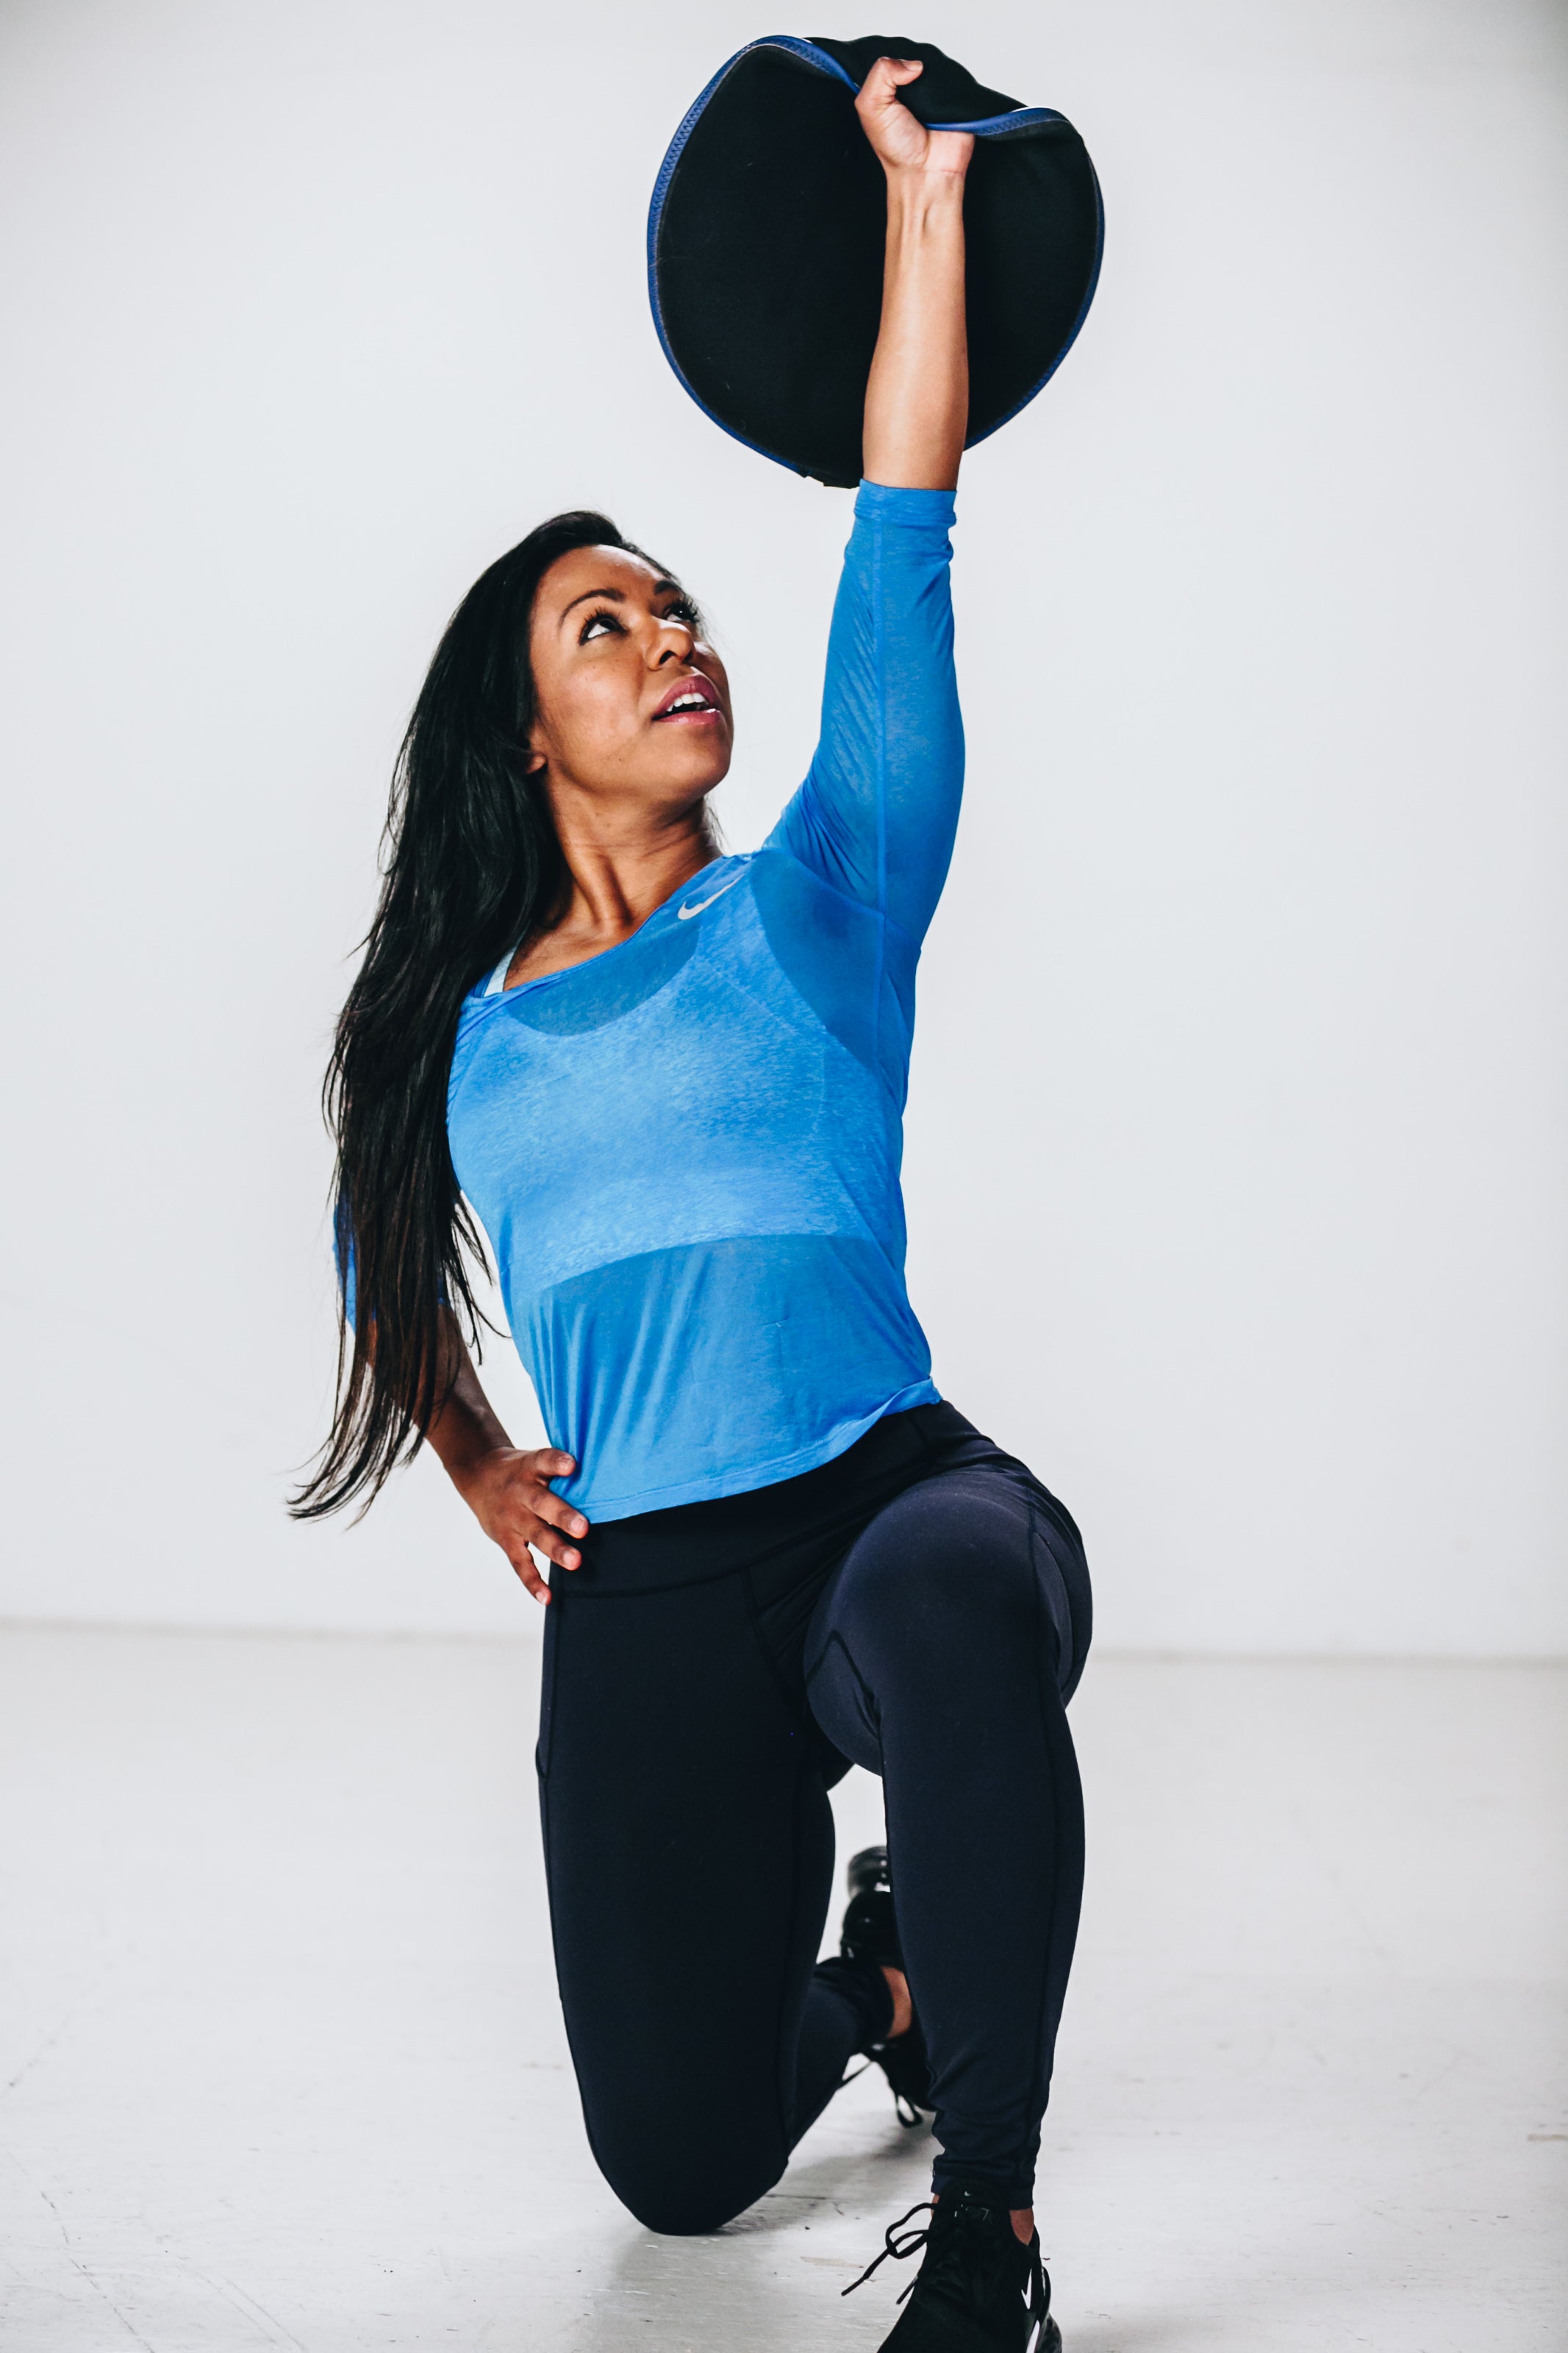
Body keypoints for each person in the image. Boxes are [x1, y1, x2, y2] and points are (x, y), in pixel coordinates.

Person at [296, 57, 1090, 2353]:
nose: (675, 644)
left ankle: (998, 2230)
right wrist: (464, 1453)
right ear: (523, 735)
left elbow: (901, 516)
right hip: (648, 1584)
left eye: (676, 611)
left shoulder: (829, 887)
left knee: (951, 1614)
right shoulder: (447, 1044)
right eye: (608, 629)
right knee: (677, 2165)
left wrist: (921, 211)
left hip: (892, 1500)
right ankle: (883, 1985)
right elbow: (378, 1259)